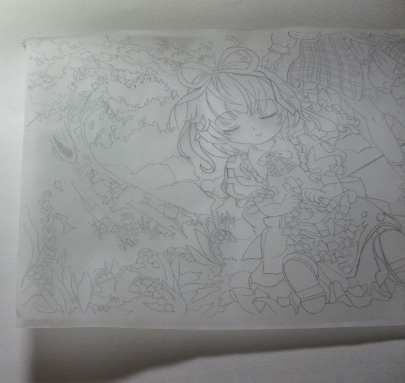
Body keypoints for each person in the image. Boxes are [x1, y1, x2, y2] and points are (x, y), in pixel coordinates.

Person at [170, 47, 405, 314]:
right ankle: (309, 289)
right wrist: (276, 203)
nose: (255, 128)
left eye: (266, 113)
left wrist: (326, 185)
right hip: (291, 223)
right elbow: (250, 196)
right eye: (231, 126)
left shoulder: (301, 142)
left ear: (279, 104)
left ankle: (396, 258)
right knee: (290, 256)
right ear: (213, 133)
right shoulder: (240, 165)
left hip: (337, 209)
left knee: (379, 229)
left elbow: (328, 167)